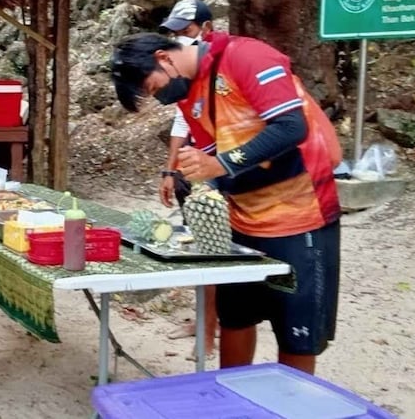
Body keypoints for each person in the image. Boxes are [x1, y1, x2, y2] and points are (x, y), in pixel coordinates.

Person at [110, 31, 342, 375]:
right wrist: (203, 183)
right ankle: (231, 400)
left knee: (296, 333)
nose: (160, 99)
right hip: (242, 224)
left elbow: (292, 126)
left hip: (300, 219)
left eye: (155, 89)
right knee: (236, 318)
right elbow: (211, 156)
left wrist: (221, 165)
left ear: (163, 58)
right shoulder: (190, 95)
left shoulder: (247, 57)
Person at [158, 0, 217, 355]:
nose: (180, 37)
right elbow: (182, 120)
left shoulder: (222, 68)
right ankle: (205, 321)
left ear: (206, 29)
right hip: (193, 164)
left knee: (214, 247)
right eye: (175, 32)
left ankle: (210, 330)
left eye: (187, 30)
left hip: (219, 166)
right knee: (196, 240)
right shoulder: (180, 72)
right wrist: (171, 168)